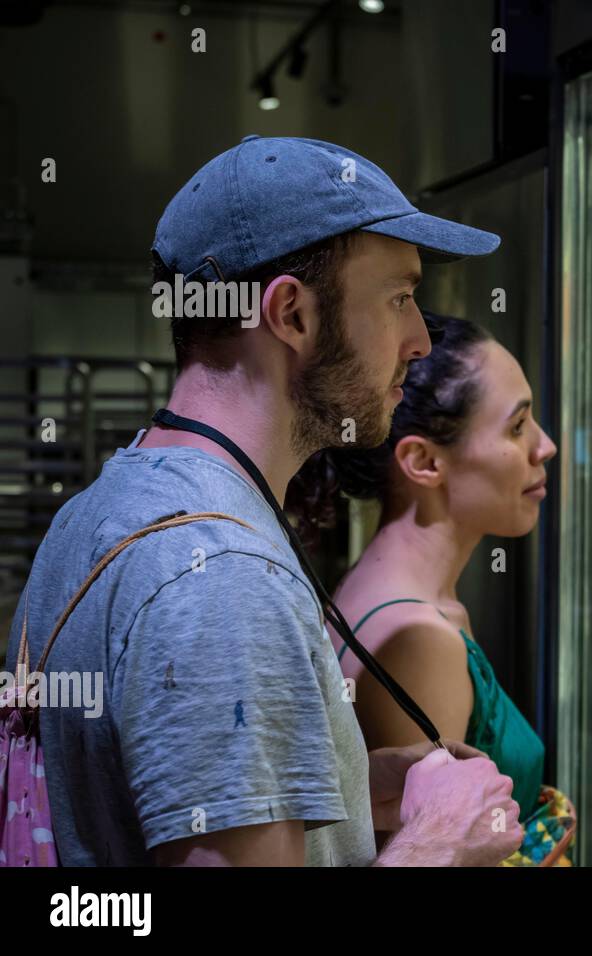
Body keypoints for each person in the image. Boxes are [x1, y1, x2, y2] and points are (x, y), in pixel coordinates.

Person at [6, 135, 524, 866]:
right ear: (292, 315)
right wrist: (438, 845)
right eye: (401, 298)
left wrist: (348, 779)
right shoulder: (222, 580)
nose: (416, 340)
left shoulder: (106, 506)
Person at [300, 312, 555, 822]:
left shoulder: (379, 584)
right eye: (518, 426)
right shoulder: (420, 641)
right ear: (424, 462)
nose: (544, 446)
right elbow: (435, 847)